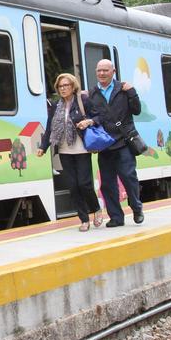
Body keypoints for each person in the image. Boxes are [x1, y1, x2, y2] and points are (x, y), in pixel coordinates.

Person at [35, 73, 103, 231]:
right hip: (64, 151)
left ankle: (96, 209)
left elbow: (99, 117)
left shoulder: (83, 100)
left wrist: (89, 121)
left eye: (66, 85)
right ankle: (84, 220)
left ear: (73, 87)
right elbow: (50, 128)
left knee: (84, 184)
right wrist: (42, 147)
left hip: (82, 149)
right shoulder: (55, 106)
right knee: (73, 186)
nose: (63, 88)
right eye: (60, 86)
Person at [81, 59, 144, 227]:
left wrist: (132, 92)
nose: (102, 73)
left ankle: (136, 208)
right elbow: (92, 117)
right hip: (105, 144)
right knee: (107, 184)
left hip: (123, 142)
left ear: (113, 71)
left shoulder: (123, 89)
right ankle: (116, 217)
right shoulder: (91, 94)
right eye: (99, 70)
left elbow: (137, 110)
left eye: (105, 70)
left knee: (129, 178)